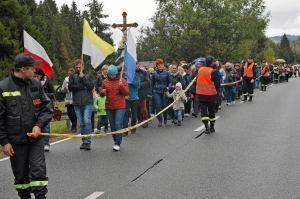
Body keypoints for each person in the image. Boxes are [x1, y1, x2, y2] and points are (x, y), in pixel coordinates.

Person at [0, 53, 53, 199]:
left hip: (35, 139)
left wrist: (39, 125)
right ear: (23, 69)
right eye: (32, 68)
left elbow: (47, 108)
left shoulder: (36, 85)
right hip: (15, 141)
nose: (34, 71)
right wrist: (4, 142)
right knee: (21, 175)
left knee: (39, 172)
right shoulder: (3, 87)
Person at [100, 65, 129, 151]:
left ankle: (118, 143)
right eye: (110, 75)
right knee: (112, 126)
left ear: (116, 74)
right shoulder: (105, 81)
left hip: (120, 106)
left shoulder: (122, 80)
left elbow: (126, 93)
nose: (112, 76)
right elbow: (101, 92)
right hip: (109, 106)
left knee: (118, 124)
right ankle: (115, 140)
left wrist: (121, 86)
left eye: (113, 74)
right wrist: (102, 91)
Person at [69, 59, 95, 151]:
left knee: (87, 121)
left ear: (83, 66)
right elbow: (70, 87)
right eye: (76, 67)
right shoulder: (72, 76)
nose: (78, 68)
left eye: (79, 67)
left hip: (87, 101)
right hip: (77, 102)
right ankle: (84, 140)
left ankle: (88, 141)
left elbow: (90, 87)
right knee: (82, 122)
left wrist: (83, 78)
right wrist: (81, 87)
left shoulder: (89, 75)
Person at [196, 56, 220, 134]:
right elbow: (217, 84)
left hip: (201, 94)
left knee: (204, 111)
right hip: (211, 94)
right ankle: (212, 127)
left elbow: (197, 80)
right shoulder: (213, 71)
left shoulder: (200, 70)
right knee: (211, 111)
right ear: (212, 62)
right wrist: (217, 91)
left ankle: (207, 127)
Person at [33, 68, 55, 152]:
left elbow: (53, 94)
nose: (35, 78)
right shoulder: (30, 83)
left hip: (45, 107)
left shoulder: (47, 82)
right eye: (34, 76)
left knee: (45, 126)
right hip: (35, 108)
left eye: (37, 76)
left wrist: (44, 95)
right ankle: (38, 144)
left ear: (41, 76)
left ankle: (46, 143)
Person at [149, 59, 171, 127]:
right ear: (157, 66)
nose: (160, 66)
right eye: (159, 65)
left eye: (161, 65)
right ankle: (160, 120)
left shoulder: (166, 73)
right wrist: (151, 93)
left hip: (164, 91)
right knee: (158, 105)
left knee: (164, 105)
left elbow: (170, 81)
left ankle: (165, 117)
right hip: (156, 91)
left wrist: (168, 87)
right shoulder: (154, 74)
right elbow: (151, 84)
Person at [123, 69, 140, 136]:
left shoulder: (136, 75)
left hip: (134, 97)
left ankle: (133, 128)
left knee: (134, 113)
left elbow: (137, 84)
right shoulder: (123, 74)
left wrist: (129, 79)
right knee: (125, 113)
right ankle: (125, 130)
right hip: (125, 97)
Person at [62, 68, 77, 133]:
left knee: (74, 113)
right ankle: (73, 124)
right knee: (69, 113)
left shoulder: (76, 79)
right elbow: (62, 89)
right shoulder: (66, 80)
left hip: (74, 98)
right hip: (68, 99)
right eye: (69, 74)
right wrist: (64, 88)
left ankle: (74, 127)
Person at [136, 61, 150, 128]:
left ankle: (145, 121)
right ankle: (139, 120)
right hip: (134, 92)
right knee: (136, 107)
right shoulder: (130, 73)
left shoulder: (144, 73)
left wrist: (140, 85)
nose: (136, 66)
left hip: (142, 92)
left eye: (137, 64)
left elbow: (147, 82)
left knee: (144, 108)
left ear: (139, 65)